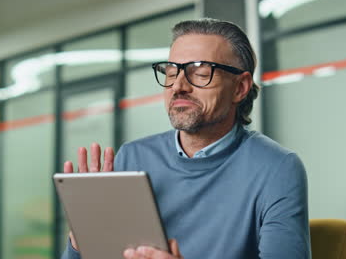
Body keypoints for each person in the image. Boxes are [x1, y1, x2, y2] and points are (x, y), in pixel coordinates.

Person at [61, 18, 311, 259]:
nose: (178, 85)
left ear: (239, 88)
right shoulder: (133, 157)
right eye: (171, 72)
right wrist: (82, 242)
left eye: (200, 72)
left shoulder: (277, 168)